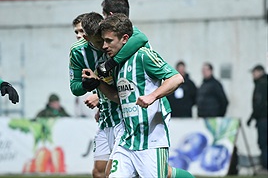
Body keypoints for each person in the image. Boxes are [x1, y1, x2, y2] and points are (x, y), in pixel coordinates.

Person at [82, 13, 194, 178]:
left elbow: (176, 78)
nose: (104, 46)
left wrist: (153, 96)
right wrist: (98, 83)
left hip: (150, 141)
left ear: (125, 38)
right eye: (103, 41)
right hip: (127, 141)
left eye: (109, 41)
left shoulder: (143, 56)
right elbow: (118, 97)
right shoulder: (115, 64)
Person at [69, 11, 148, 178]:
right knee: (98, 173)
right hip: (105, 116)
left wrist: (104, 71)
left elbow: (142, 38)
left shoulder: (119, 42)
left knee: (116, 173)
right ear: (88, 38)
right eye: (98, 41)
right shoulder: (78, 52)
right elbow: (75, 88)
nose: (103, 45)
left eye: (104, 39)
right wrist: (88, 84)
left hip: (125, 115)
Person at [247, 64, 267, 171]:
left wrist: (252, 117)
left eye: (254, 72)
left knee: (263, 142)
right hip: (263, 117)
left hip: (263, 118)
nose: (253, 75)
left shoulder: (261, 84)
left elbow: (259, 104)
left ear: (260, 72)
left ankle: (265, 166)